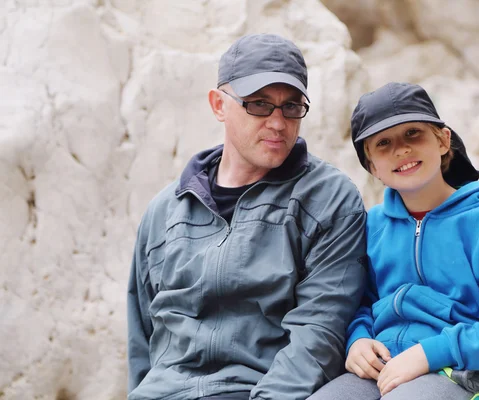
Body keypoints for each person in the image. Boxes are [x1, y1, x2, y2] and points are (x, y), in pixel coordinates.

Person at [126, 33, 367, 400]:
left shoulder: (329, 199)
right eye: (258, 104)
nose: (277, 122)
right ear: (219, 105)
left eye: (291, 107)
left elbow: (320, 331)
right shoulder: (164, 211)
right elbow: (142, 335)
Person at [308, 82, 479, 400]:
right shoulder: (373, 226)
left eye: (413, 133)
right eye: (383, 143)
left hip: (458, 372)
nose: (402, 149)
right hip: (380, 367)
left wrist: (428, 354)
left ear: (443, 140)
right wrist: (358, 340)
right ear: (372, 167)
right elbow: (358, 303)